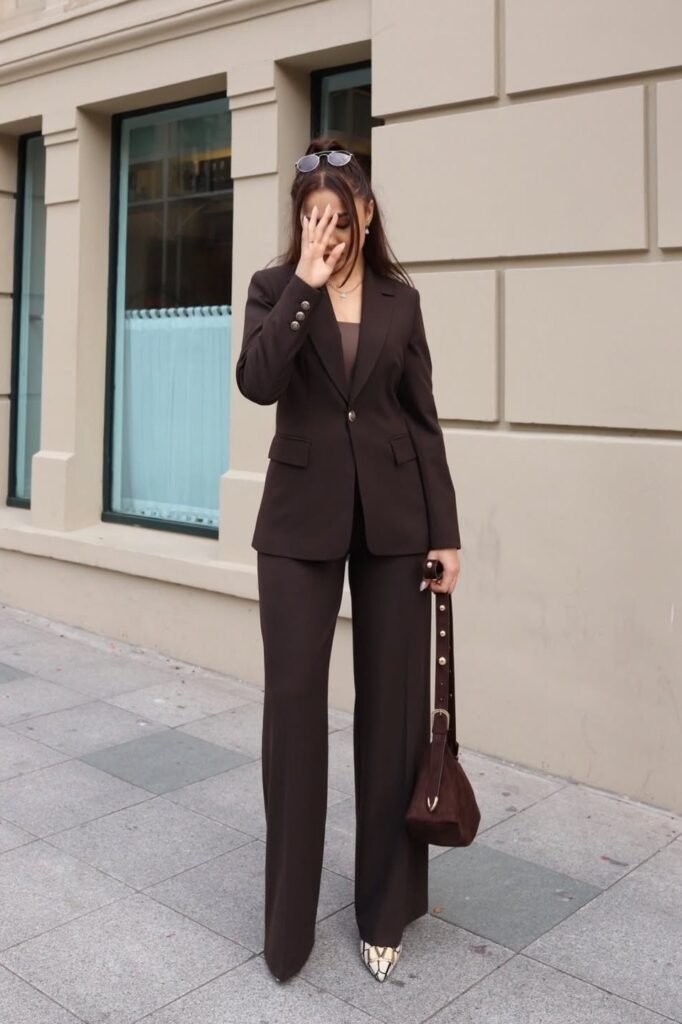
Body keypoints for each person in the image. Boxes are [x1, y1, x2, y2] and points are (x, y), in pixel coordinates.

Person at [235, 138, 461, 984]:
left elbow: (422, 418)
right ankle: (288, 925)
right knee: (293, 712)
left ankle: (384, 909)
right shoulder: (273, 289)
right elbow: (257, 383)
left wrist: (446, 532)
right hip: (297, 525)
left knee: (393, 715)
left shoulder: (402, 301)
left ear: (366, 212)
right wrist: (305, 281)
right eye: (310, 216)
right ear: (300, 222)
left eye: (339, 214)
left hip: (398, 524)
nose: (326, 228)